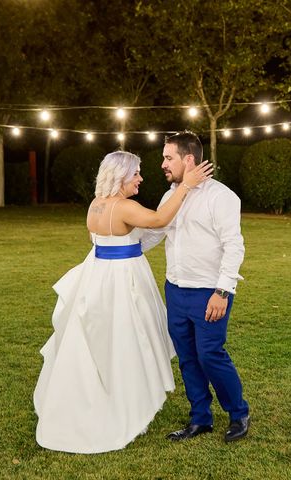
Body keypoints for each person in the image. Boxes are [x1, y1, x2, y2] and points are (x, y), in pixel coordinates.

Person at [33, 150, 212, 454]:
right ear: (120, 176)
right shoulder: (124, 207)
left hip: (99, 276)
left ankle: (110, 392)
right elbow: (158, 219)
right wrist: (185, 186)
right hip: (123, 280)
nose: (141, 179)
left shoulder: (96, 205)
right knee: (130, 339)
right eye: (136, 174)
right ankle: (126, 402)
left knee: (104, 342)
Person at [142, 131, 250, 443]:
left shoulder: (222, 197)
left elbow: (234, 247)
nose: (162, 164)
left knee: (210, 355)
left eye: (168, 157)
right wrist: (118, 240)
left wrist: (223, 291)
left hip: (209, 293)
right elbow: (154, 234)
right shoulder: (170, 196)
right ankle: (200, 418)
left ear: (189, 159)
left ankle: (238, 412)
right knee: (188, 357)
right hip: (175, 291)